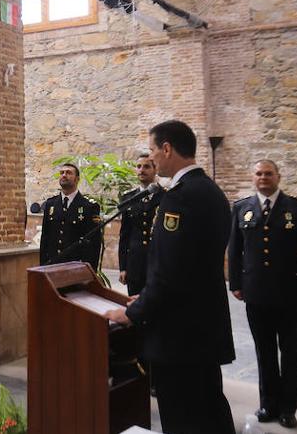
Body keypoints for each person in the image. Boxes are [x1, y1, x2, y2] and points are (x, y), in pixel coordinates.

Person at [104, 120, 235, 434]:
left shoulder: (179, 198)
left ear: (166, 148)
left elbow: (169, 274)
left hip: (179, 336)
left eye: (152, 150)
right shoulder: (211, 191)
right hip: (204, 327)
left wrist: (132, 312)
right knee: (210, 411)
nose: (152, 158)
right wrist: (145, 296)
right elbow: (189, 267)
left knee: (182, 417)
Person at [229, 159, 297, 429]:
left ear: (278, 176)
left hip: (291, 293)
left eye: (268, 173)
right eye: (259, 173)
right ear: (252, 177)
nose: (263, 177)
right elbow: (234, 250)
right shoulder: (241, 208)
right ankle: (268, 404)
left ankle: (288, 409)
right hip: (256, 293)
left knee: (292, 353)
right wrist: (235, 283)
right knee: (264, 352)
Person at [38, 162, 102, 269]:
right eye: (62, 173)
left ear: (77, 179)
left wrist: (90, 271)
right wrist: (43, 266)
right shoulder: (50, 204)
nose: (64, 175)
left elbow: (94, 243)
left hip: (75, 267)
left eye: (68, 173)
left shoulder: (89, 206)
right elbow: (45, 238)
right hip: (53, 265)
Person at [118, 153, 162, 295]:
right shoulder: (129, 198)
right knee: (134, 309)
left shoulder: (166, 196)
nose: (141, 170)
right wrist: (123, 268)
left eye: (146, 167)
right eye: (138, 166)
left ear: (155, 170)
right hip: (134, 264)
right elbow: (124, 235)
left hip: (157, 263)